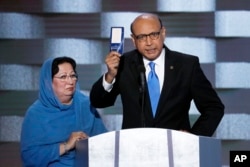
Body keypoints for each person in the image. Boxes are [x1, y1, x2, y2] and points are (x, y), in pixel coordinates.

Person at [90, 13, 224, 137]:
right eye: (141, 37)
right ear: (133, 39)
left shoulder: (187, 65)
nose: (149, 43)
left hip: (176, 151)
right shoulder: (124, 64)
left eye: (154, 34)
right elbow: (98, 101)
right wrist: (110, 75)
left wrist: (194, 138)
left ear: (163, 33)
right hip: (134, 150)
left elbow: (213, 108)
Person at [20, 56, 107, 166]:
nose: (70, 81)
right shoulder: (36, 114)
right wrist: (66, 145)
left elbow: (104, 142)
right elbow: (29, 156)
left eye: (72, 75)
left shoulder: (85, 105)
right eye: (63, 77)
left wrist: (90, 144)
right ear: (48, 82)